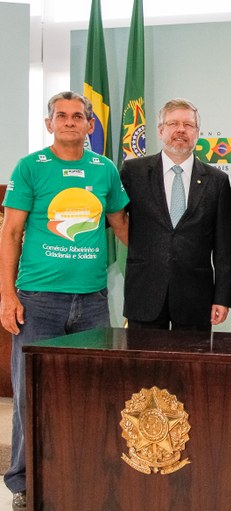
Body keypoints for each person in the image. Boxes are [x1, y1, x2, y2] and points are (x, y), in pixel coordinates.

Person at [0, 91, 129, 511]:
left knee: (91, 393)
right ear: (49, 123)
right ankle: (23, 482)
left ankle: (86, 472)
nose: (70, 122)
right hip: (38, 302)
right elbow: (10, 233)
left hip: (92, 300)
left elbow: (121, 225)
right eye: (62, 115)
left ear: (91, 125)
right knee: (28, 394)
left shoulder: (105, 169)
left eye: (79, 116)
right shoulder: (30, 168)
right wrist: (7, 295)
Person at [120, 99, 231, 331]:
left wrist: (222, 297)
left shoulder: (217, 181)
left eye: (188, 125)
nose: (181, 130)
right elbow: (114, 218)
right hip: (145, 293)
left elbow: (224, 247)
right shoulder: (134, 172)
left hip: (196, 297)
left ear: (197, 133)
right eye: (173, 124)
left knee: (192, 366)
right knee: (145, 366)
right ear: (161, 131)